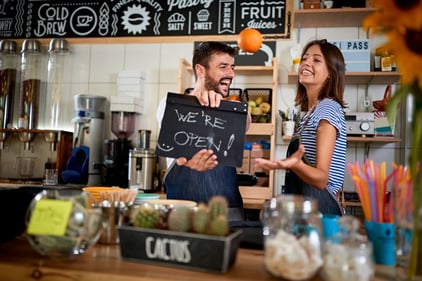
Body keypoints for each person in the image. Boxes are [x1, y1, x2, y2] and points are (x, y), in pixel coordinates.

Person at [156, 41, 250, 221]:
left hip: (228, 220)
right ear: (200, 70)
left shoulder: (232, 111)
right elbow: (179, 139)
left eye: (232, 67)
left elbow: (245, 121)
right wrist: (198, 104)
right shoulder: (171, 106)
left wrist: (221, 106)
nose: (231, 74)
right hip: (183, 219)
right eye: (223, 67)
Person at [254, 39, 347, 216]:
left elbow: (321, 179)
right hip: (307, 211)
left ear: (331, 73)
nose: (306, 63)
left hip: (322, 213)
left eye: (316, 60)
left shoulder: (328, 108)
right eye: (304, 58)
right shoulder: (311, 113)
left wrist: (294, 165)